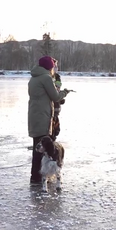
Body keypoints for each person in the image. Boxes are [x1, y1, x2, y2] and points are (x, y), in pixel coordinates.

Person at [28, 55, 70, 185]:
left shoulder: (33, 78)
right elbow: (55, 96)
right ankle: (40, 177)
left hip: (34, 115)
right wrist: (64, 92)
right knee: (44, 148)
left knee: (37, 147)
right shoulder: (46, 78)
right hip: (43, 115)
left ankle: (35, 176)